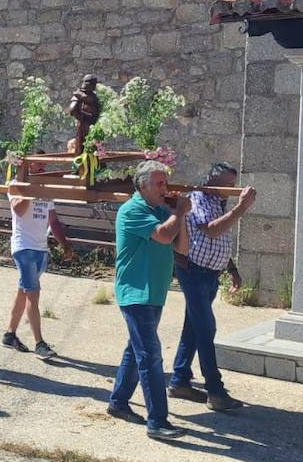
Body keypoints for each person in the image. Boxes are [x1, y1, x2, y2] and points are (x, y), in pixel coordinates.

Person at [107, 160, 190, 441]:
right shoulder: (132, 210)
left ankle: (118, 402)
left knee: (136, 349)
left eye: (164, 182)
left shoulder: (159, 210)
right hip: (135, 292)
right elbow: (165, 236)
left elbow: (182, 245)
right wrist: (177, 213)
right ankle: (157, 421)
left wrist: (181, 216)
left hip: (153, 292)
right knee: (150, 356)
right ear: (142, 185)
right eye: (159, 183)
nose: (164, 187)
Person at [169, 163, 255, 412]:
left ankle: (179, 380)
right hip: (194, 271)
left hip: (210, 274)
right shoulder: (198, 198)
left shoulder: (218, 203)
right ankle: (215, 391)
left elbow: (219, 241)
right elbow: (212, 230)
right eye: (226, 184)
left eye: (232, 184)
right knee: (206, 328)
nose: (230, 189)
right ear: (211, 180)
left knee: (194, 328)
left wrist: (232, 269)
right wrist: (242, 207)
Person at [4, 160, 75, 358]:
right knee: (33, 294)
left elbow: (52, 220)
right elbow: (18, 209)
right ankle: (39, 343)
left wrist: (65, 245)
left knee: (23, 291)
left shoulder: (46, 189)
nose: (43, 168)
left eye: (44, 165)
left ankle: (9, 334)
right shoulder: (16, 184)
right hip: (23, 247)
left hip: (40, 247)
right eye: (39, 165)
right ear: (28, 167)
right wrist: (34, 189)